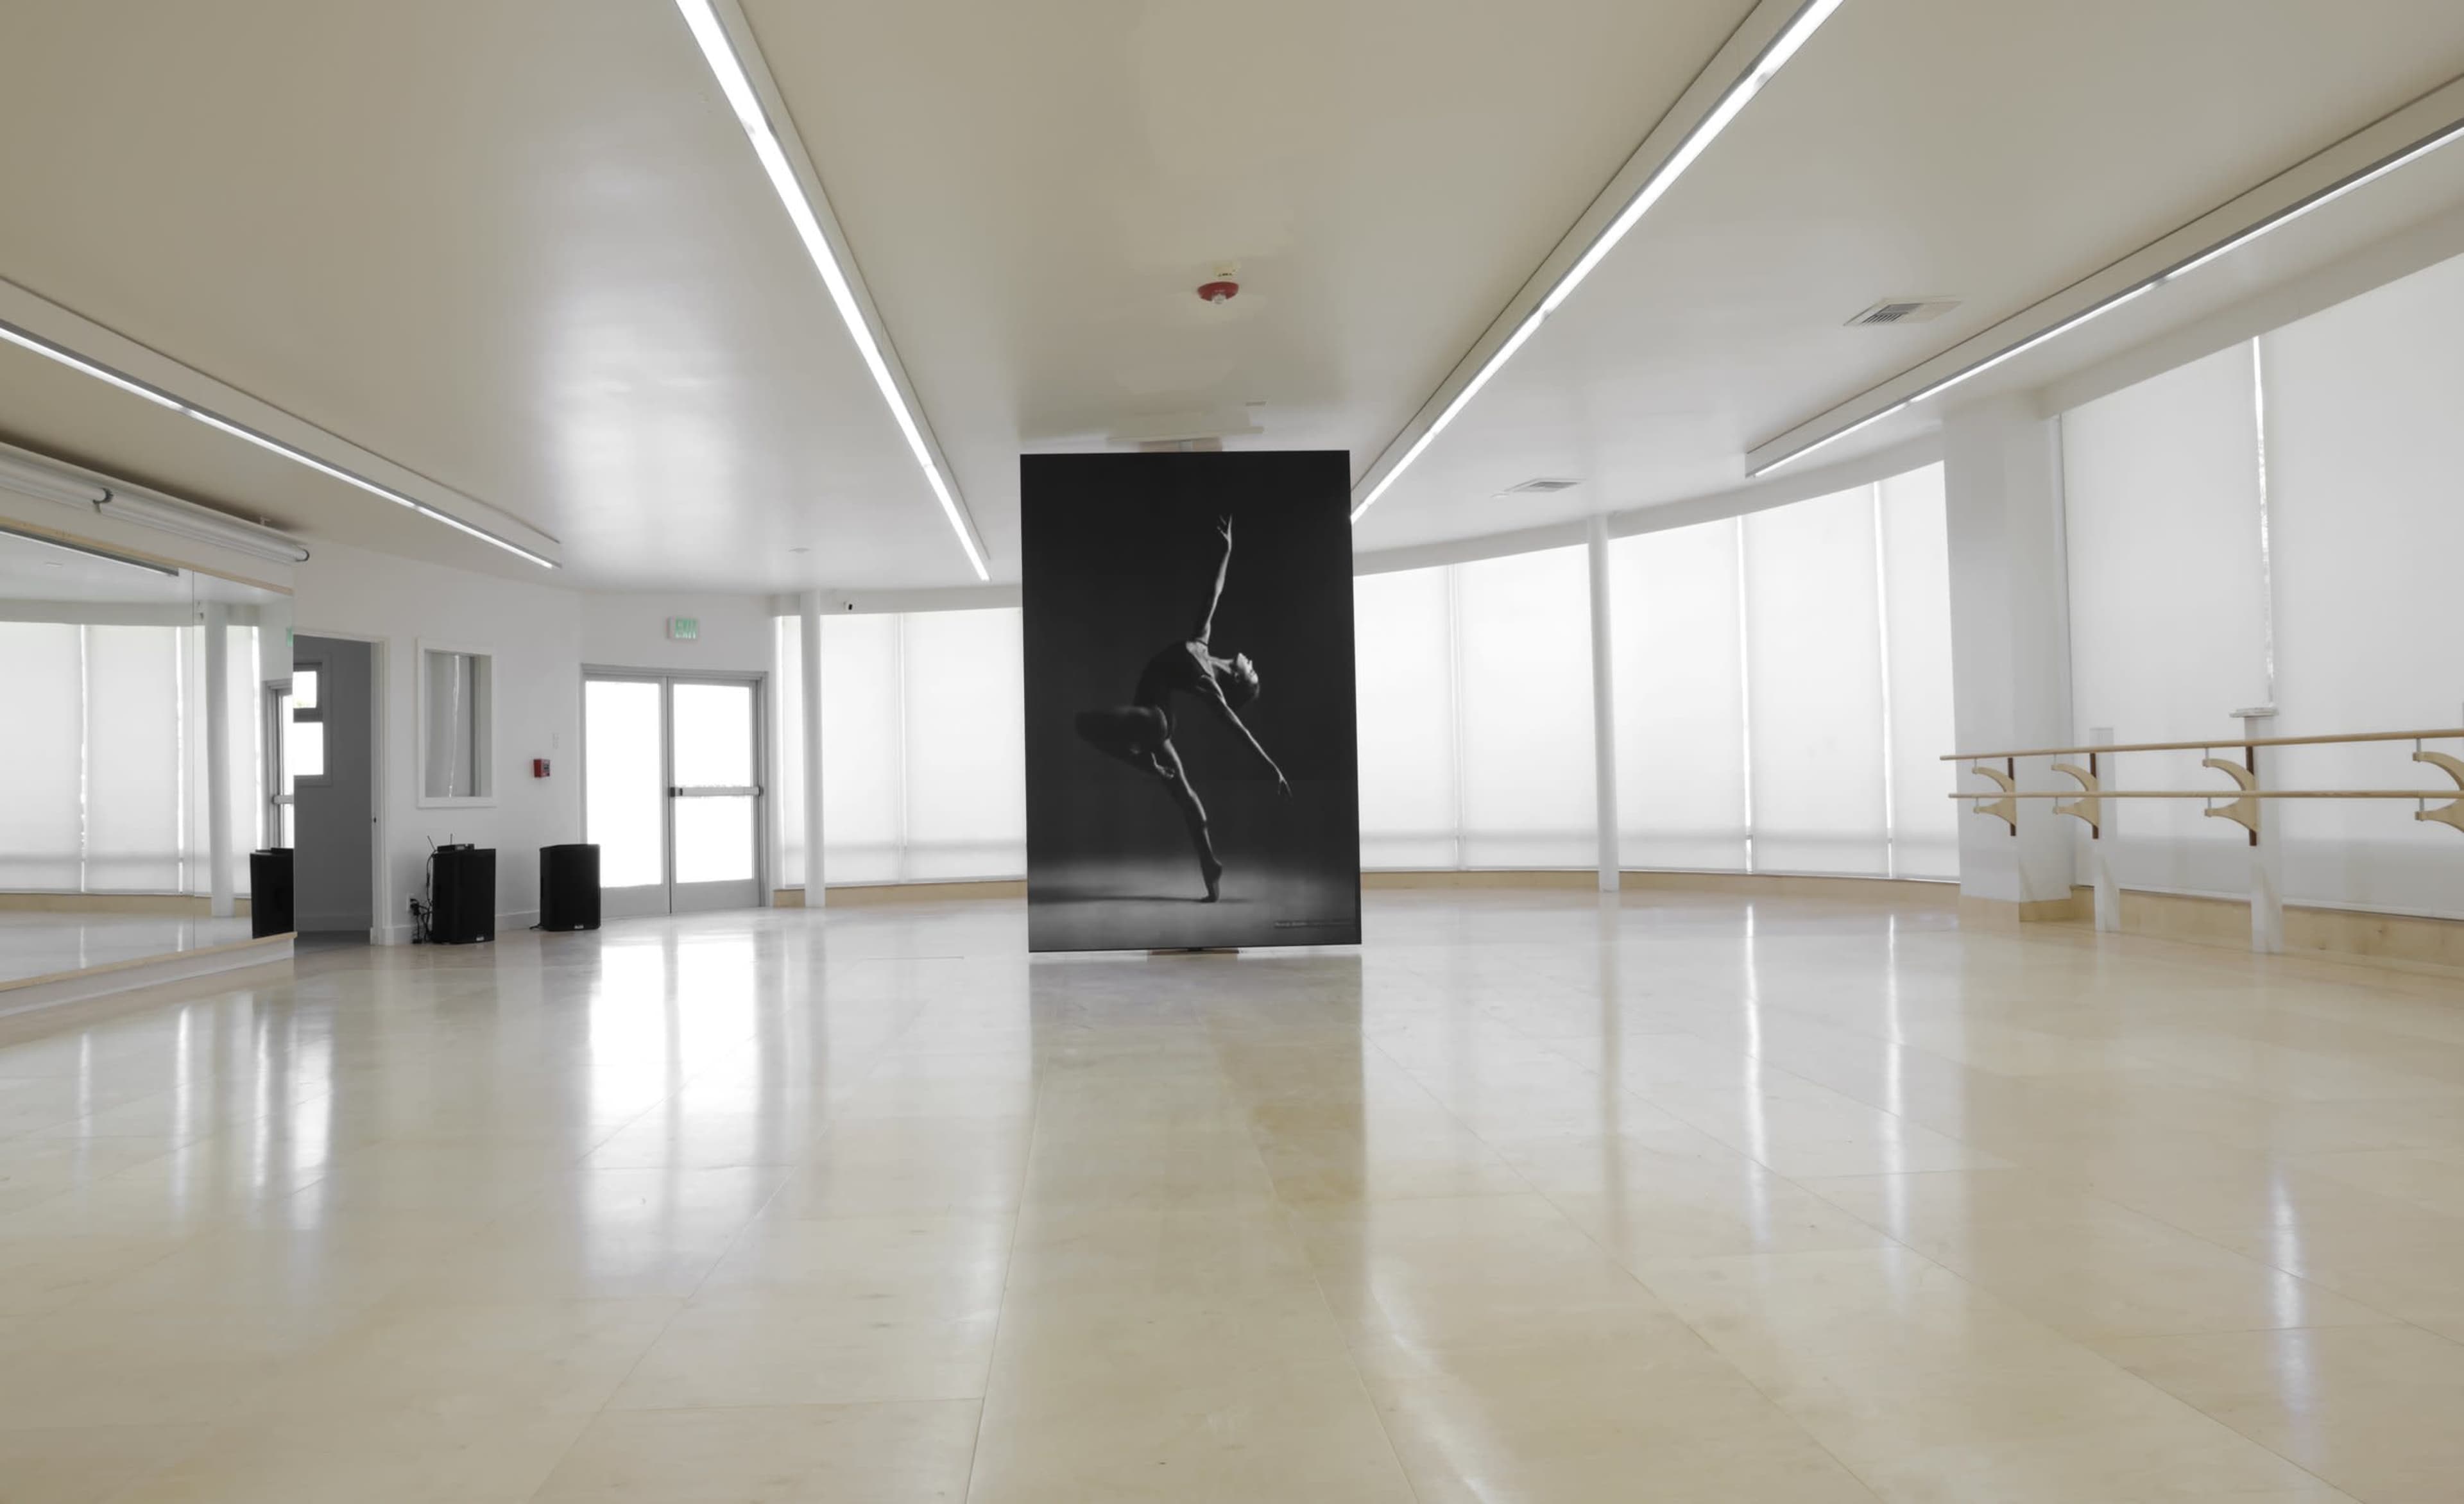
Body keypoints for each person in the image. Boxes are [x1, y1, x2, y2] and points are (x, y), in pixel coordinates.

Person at [1074, 514, 1289, 901]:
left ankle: (1141, 762)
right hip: (1156, 717)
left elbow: (1239, 731)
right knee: (1184, 794)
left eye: (1252, 674)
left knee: (1083, 724)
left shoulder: (1210, 686)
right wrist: (1227, 550)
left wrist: (1271, 766)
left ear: (1238, 680)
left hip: (1154, 721)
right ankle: (1210, 866)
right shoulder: (1201, 644)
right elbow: (1214, 592)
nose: (1253, 665)